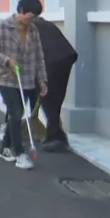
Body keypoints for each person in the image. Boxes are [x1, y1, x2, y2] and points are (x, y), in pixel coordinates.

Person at [0, 0, 48, 171]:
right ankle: (19, 153)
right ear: (21, 11)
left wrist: (42, 79)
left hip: (26, 79)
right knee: (16, 111)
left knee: (15, 114)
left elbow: (39, 56)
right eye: (30, 16)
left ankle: (5, 147)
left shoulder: (33, 31)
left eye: (35, 17)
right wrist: (7, 61)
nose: (32, 20)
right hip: (6, 77)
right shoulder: (1, 27)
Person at [33, 15, 78, 152]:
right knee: (56, 98)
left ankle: (57, 138)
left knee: (47, 98)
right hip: (67, 58)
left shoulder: (26, 27)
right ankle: (55, 134)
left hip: (51, 61)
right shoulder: (45, 23)